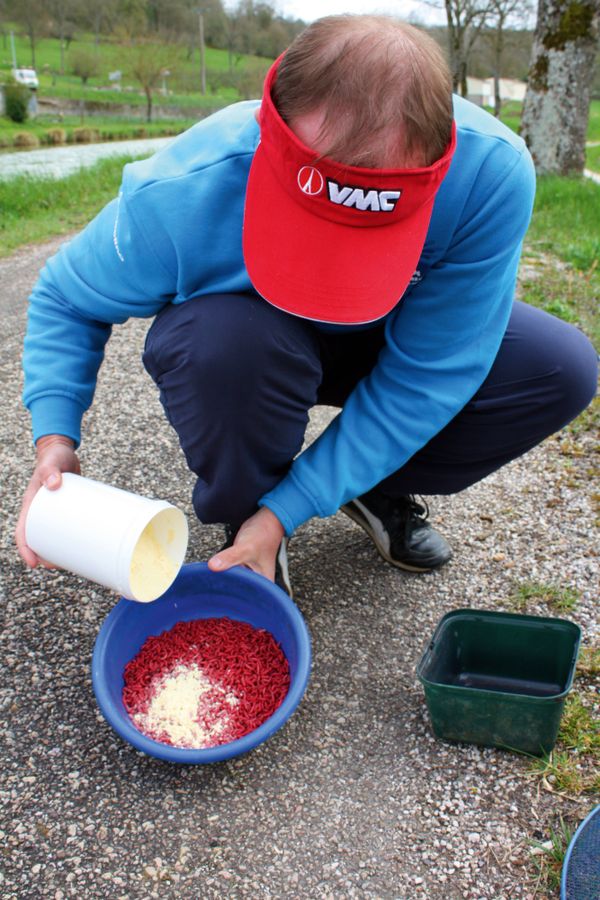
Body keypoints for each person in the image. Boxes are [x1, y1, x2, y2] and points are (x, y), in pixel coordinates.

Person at [16, 15, 597, 597]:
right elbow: (67, 298)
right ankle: (248, 522)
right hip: (256, 341)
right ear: (270, 129)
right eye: (316, 229)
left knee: (557, 367)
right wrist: (55, 441)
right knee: (218, 347)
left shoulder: (488, 176)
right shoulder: (183, 189)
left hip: (390, 331)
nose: (333, 270)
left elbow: (432, 374)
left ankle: (364, 485)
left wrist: (294, 505)